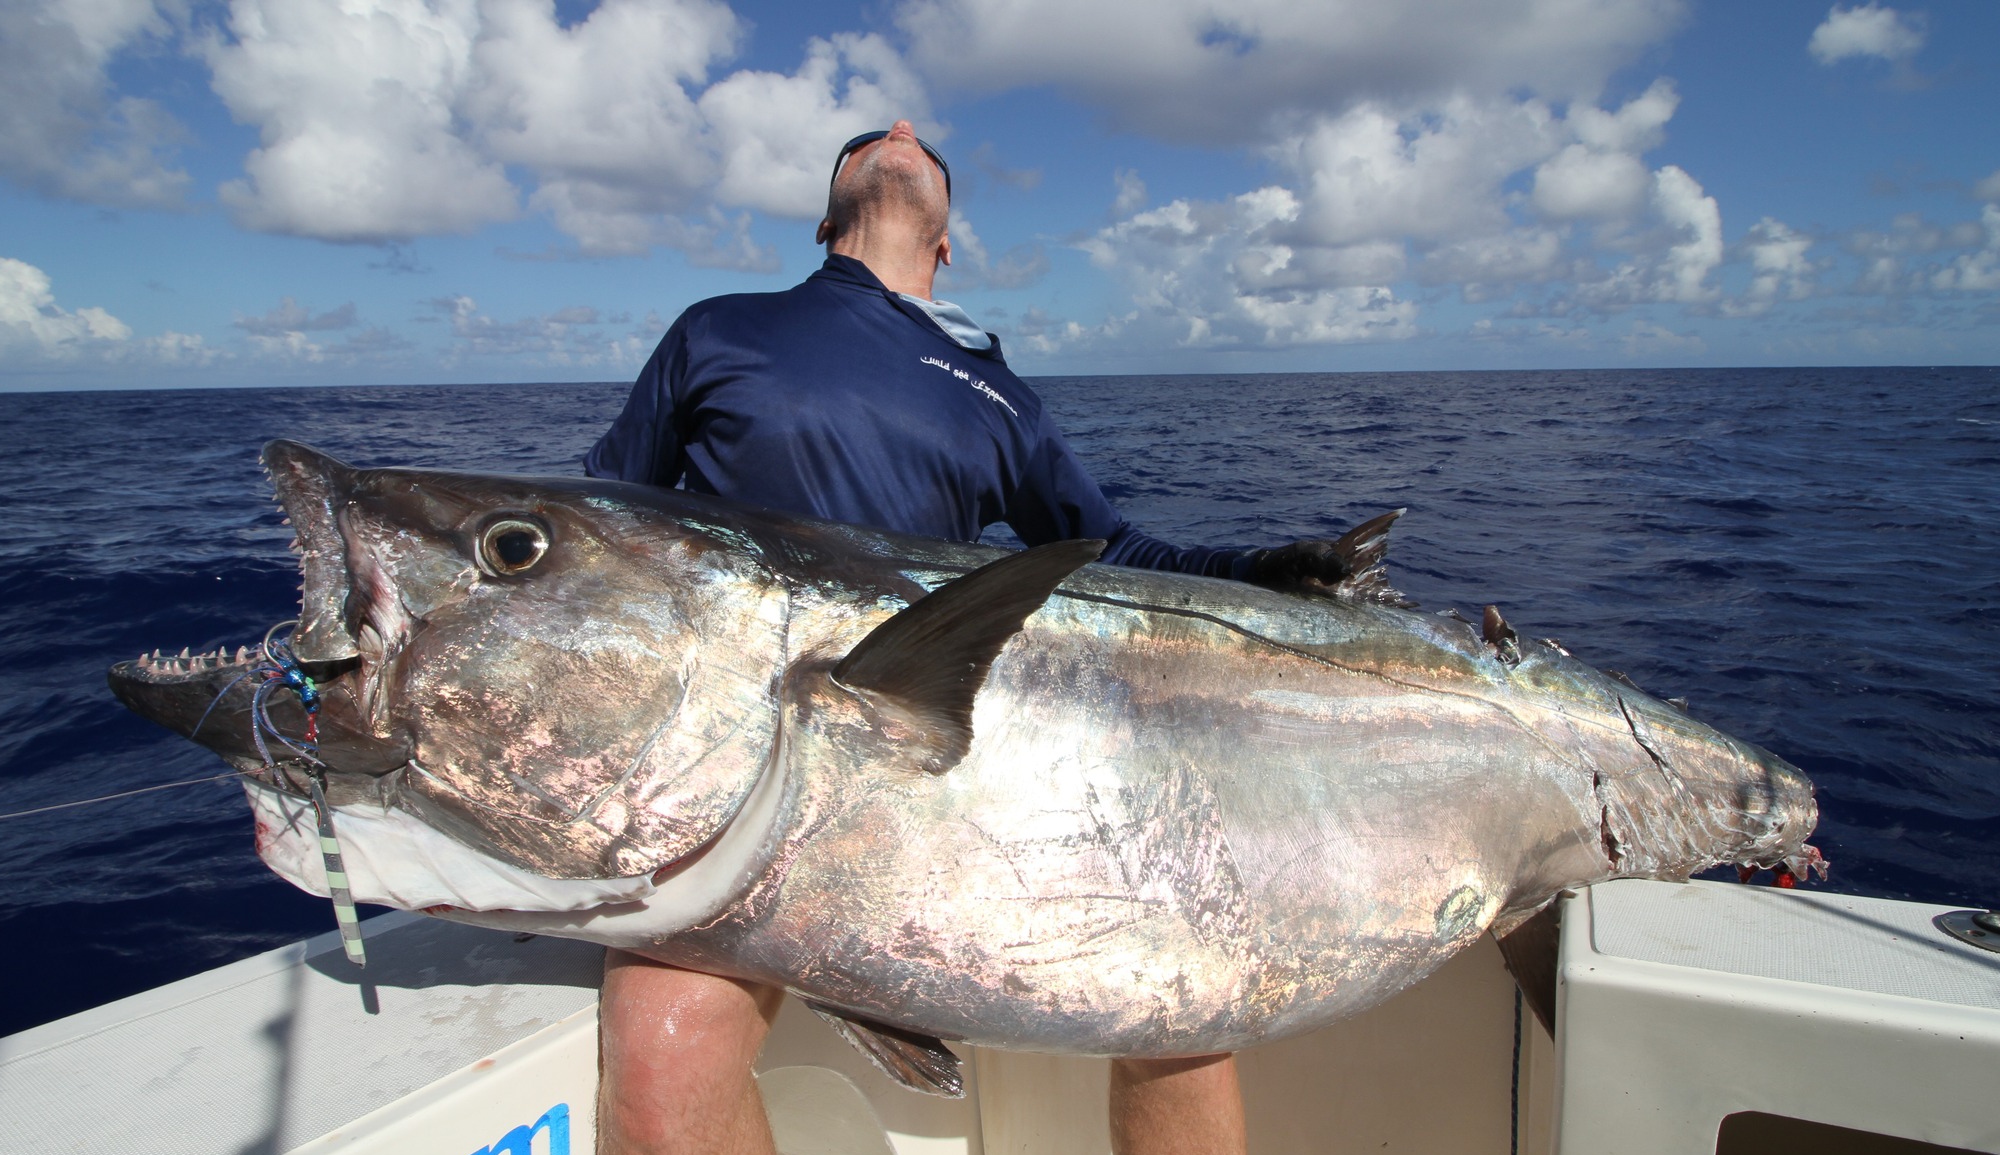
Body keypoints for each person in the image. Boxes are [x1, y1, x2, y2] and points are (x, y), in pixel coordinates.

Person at [586, 120, 1350, 1155]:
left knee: (1184, 1011)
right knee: (659, 1044)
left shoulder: (1000, 398)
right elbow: (602, 524)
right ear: (829, 215)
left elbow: (1108, 548)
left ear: (948, 247)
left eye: (919, 143)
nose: (899, 131)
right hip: (742, 775)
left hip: (936, 772)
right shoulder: (715, 330)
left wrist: (1263, 573)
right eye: (871, 138)